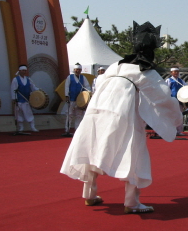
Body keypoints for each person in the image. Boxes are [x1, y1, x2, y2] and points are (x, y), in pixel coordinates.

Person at [61, 21, 181, 214]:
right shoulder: (146, 71)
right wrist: (178, 116)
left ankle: (90, 195)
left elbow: (100, 85)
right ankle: (131, 202)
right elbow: (163, 99)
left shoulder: (115, 66)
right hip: (123, 115)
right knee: (133, 153)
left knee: (93, 146)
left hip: (98, 111)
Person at [10, 65, 40, 132]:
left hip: (26, 99)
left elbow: (33, 87)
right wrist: (14, 99)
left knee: (29, 113)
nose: (24, 72)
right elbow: (13, 89)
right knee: (19, 114)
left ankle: (32, 127)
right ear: (19, 71)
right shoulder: (15, 79)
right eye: (23, 70)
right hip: (19, 99)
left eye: (25, 70)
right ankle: (21, 127)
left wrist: (39, 91)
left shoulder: (28, 79)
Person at [64, 63, 91, 133]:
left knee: (79, 115)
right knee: (69, 114)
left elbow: (87, 86)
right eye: (77, 69)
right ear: (74, 70)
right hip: (71, 98)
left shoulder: (83, 78)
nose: (78, 71)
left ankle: (77, 130)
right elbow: (66, 86)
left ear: (81, 70)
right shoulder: (70, 77)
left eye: (79, 70)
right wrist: (66, 95)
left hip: (80, 100)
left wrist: (88, 93)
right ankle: (67, 129)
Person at [165, 67, 187, 135]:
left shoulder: (181, 81)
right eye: (174, 71)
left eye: (177, 71)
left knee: (179, 115)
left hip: (180, 101)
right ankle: (171, 130)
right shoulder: (168, 80)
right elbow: (166, 90)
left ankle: (179, 131)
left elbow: (186, 88)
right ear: (171, 73)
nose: (176, 73)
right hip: (172, 101)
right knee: (172, 115)